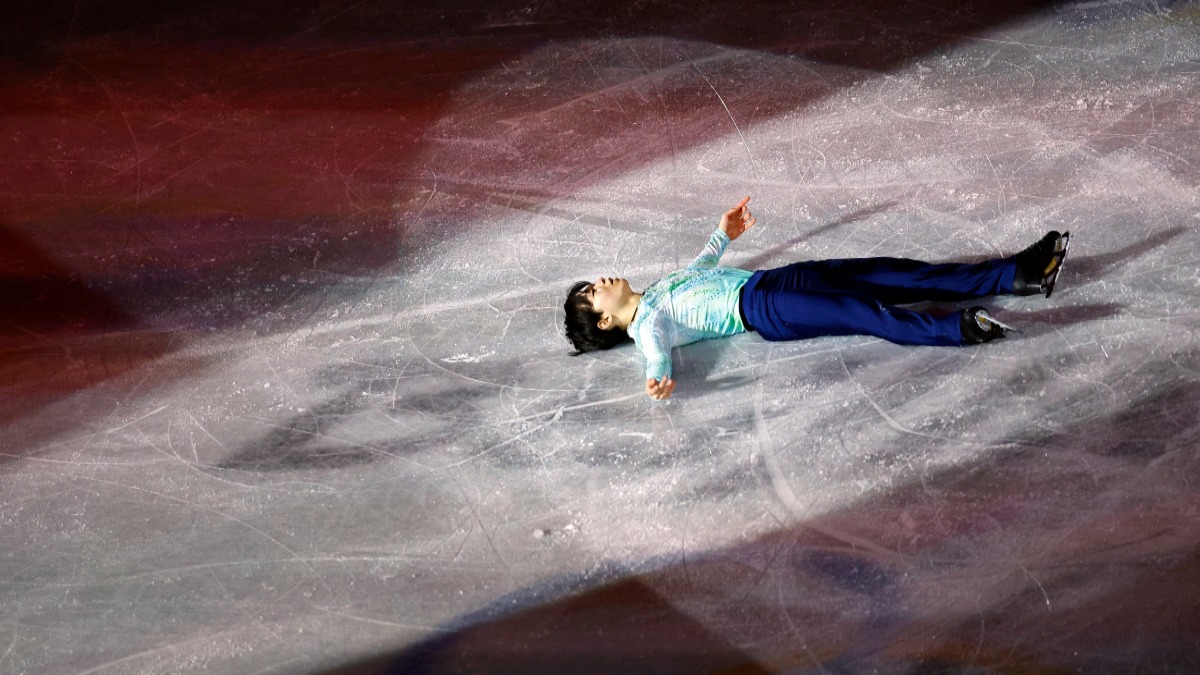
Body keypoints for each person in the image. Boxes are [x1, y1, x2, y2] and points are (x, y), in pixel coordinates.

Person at [563, 197, 1069, 400]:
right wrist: (658, 380)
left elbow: (702, 266)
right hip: (765, 311)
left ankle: (1016, 275)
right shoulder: (648, 326)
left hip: (776, 279)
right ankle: (959, 328)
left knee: (892, 275)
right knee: (861, 313)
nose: (600, 282)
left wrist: (723, 234)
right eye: (592, 293)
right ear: (605, 322)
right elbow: (656, 360)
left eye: (591, 283)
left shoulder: (660, 288)